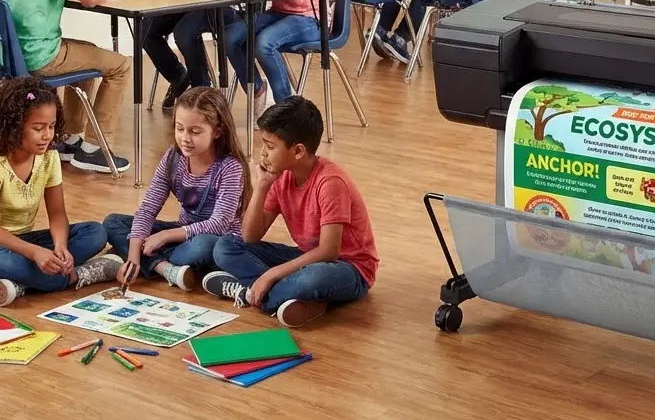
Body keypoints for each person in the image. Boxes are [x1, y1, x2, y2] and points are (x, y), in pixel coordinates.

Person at [204, 96, 377, 329]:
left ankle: (250, 292)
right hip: (307, 256)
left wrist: (272, 274)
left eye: (270, 146)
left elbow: (329, 251)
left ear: (297, 151)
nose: (263, 153)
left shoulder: (330, 182)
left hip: (349, 268)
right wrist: (262, 186)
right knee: (225, 246)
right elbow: (250, 237)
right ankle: (291, 298)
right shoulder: (280, 175)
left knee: (312, 279)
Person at [0, 0, 130, 174]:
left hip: (15, 53)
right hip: (43, 56)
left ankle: (70, 138)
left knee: (91, 52)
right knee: (120, 65)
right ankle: (97, 148)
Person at [104, 88, 250, 292]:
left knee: (202, 247)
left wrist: (164, 236)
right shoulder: (173, 157)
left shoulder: (230, 167)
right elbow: (148, 208)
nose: (185, 138)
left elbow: (218, 224)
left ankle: (155, 260)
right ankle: (165, 269)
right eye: (180, 129)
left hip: (214, 240)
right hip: (181, 234)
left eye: (195, 132)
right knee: (113, 222)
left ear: (217, 132)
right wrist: (134, 257)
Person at [0, 77, 123, 305]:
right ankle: (78, 275)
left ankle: (22, 283)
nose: (47, 135)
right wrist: (34, 253)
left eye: (52, 126)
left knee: (95, 232)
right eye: (38, 128)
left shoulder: (49, 157)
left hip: (26, 239)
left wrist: (60, 247)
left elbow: (57, 213)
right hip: (4, 245)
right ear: (14, 126)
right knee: (13, 264)